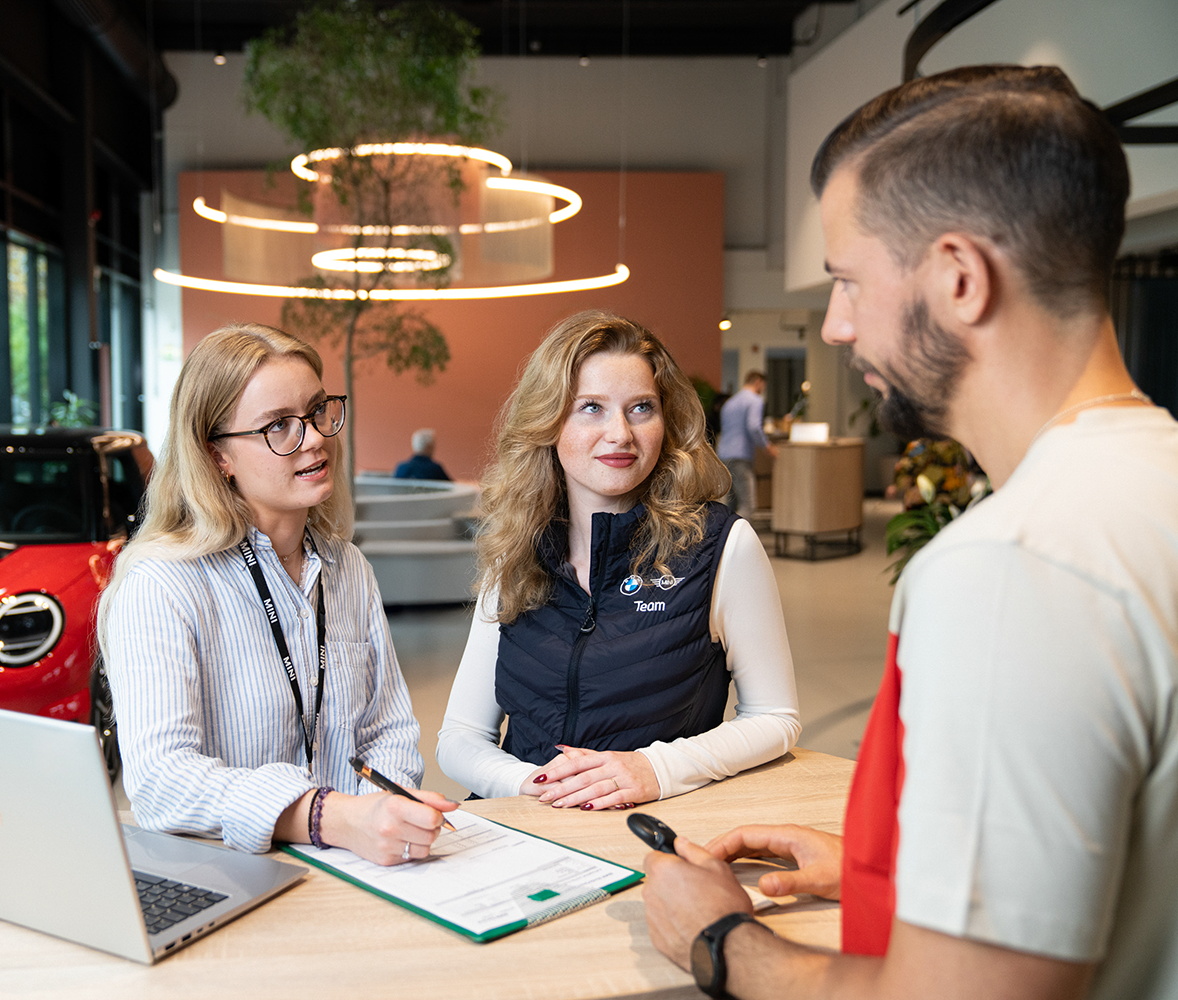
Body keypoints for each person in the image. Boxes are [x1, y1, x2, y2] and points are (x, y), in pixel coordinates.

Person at [642, 65, 1178, 1000]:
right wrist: (890, 866)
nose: (839, 326)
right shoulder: (1149, 479)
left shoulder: (1013, 565)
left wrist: (720, 939)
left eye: (849, 282)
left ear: (961, 279)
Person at [98, 323, 456, 866]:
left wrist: (379, 815)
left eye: (316, 412)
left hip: (362, 868)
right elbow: (161, 782)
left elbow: (390, 731)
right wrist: (328, 818)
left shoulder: (348, 568)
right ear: (218, 456)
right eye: (278, 427)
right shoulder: (161, 585)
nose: (313, 438)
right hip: (237, 878)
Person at [436, 310, 800, 808]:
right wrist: (536, 786)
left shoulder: (721, 545)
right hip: (521, 832)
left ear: (665, 421)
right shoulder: (518, 549)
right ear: (549, 421)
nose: (620, 434)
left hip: (647, 831)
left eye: (641, 408)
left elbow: (775, 717)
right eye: (591, 407)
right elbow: (459, 736)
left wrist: (656, 768)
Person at [717, 371, 775, 522]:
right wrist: (767, 446)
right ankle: (738, 540)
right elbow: (754, 426)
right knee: (748, 505)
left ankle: (723, 541)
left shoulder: (730, 402)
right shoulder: (755, 401)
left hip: (723, 455)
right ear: (758, 383)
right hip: (740, 456)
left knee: (730, 504)